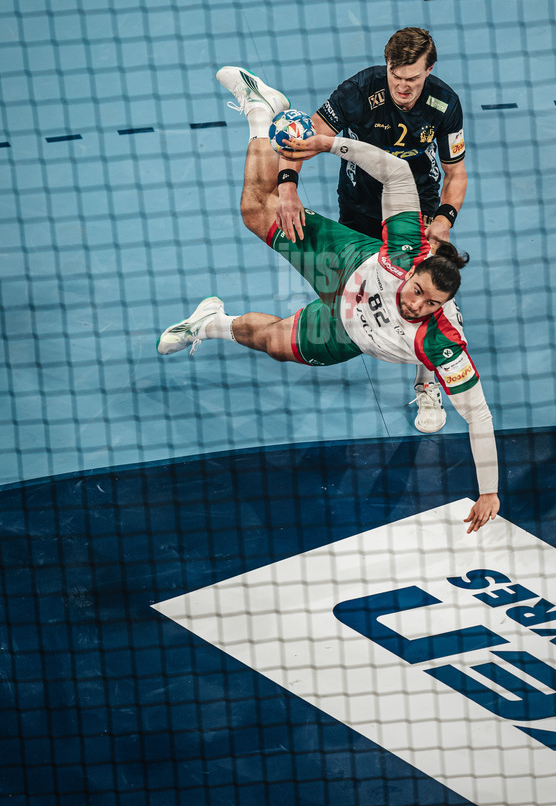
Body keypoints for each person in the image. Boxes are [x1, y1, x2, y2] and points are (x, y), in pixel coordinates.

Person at [157, 68, 499, 533]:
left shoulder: (441, 341)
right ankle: (261, 111)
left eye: (429, 304)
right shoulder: (402, 249)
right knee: (255, 212)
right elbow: (397, 172)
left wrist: (489, 490)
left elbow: (477, 412)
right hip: (345, 263)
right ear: (414, 270)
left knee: (275, 343)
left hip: (347, 332)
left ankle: (212, 322)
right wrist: (328, 144)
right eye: (418, 291)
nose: (417, 304)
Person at [218, 28, 467, 433]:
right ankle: (263, 113)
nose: (403, 87)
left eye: (413, 79)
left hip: (413, 211)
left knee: (423, 299)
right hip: (358, 204)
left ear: (430, 71)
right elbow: (308, 138)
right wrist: (287, 187)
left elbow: (456, 173)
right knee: (348, 290)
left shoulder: (444, 104)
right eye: (396, 76)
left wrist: (444, 218)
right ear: (386, 66)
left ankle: (426, 385)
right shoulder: (360, 89)